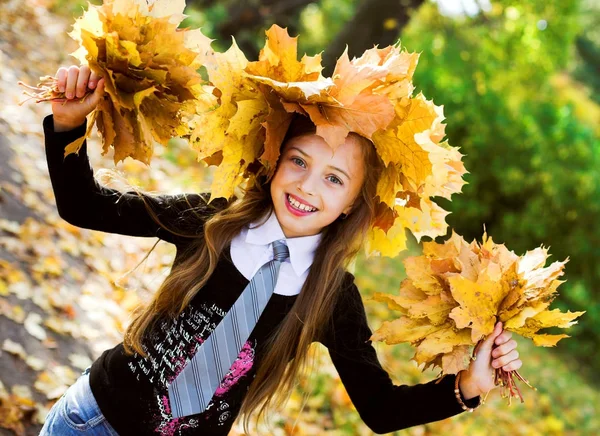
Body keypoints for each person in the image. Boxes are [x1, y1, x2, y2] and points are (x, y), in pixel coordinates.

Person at [39, 65, 522, 436]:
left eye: (333, 179)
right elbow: (85, 207)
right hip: (91, 419)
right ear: (276, 160)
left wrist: (467, 388)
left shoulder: (331, 297)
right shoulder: (211, 220)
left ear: (354, 201)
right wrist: (67, 126)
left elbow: (379, 408)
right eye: (299, 161)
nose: (308, 187)